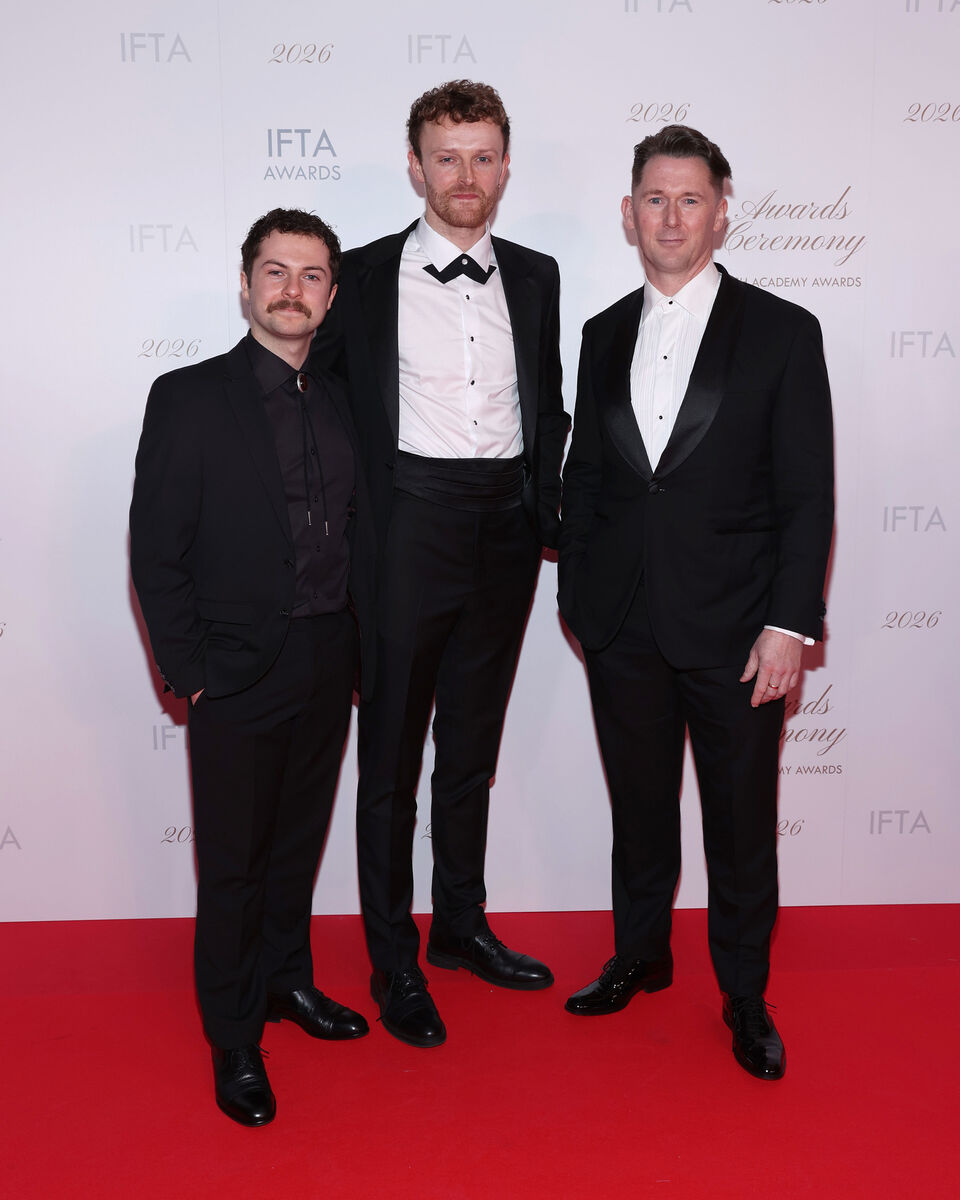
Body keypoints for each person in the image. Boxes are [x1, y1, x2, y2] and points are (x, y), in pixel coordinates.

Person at [558, 126, 834, 1080]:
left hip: (739, 631)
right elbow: (584, 482)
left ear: (723, 210)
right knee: (638, 811)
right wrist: (584, 602)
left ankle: (745, 993)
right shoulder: (599, 335)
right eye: (653, 199)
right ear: (628, 212)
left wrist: (791, 624)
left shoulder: (785, 331)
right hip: (622, 623)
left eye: (689, 199)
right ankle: (641, 954)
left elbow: (808, 495)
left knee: (741, 821)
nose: (670, 217)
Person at [317, 80, 569, 1047]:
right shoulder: (364, 276)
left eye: (483, 156)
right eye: (446, 157)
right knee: (389, 761)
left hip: (503, 535)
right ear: (416, 167)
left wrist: (543, 508)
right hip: (404, 532)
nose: (466, 176)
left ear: (505, 167)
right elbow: (312, 399)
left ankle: (460, 926)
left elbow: (547, 408)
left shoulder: (540, 278)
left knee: (470, 752)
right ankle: (392, 958)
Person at [130, 208, 375, 1125]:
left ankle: (287, 983)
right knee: (233, 864)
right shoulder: (189, 396)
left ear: (331, 294)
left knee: (295, 848)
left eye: (311, 276)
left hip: (326, 658)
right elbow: (156, 548)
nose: (291, 291)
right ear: (244, 284)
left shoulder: (350, 398)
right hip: (233, 671)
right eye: (274, 272)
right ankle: (234, 1037)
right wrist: (187, 669)